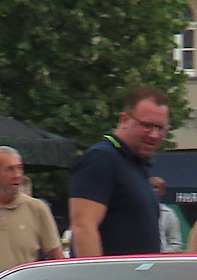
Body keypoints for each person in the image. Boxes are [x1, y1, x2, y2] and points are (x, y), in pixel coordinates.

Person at [69, 86, 172, 257]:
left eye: (160, 128)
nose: (154, 135)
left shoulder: (134, 163)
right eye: (147, 126)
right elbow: (83, 227)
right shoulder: (101, 158)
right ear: (124, 120)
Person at [0, 145, 64, 274]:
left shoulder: (37, 209)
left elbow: (57, 257)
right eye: (10, 169)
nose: (17, 175)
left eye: (19, 168)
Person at [148, 176, 185, 252]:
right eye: (149, 186)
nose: (151, 190)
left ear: (162, 192)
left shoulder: (168, 214)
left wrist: (162, 253)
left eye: (155, 187)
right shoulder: (132, 211)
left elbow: (176, 244)